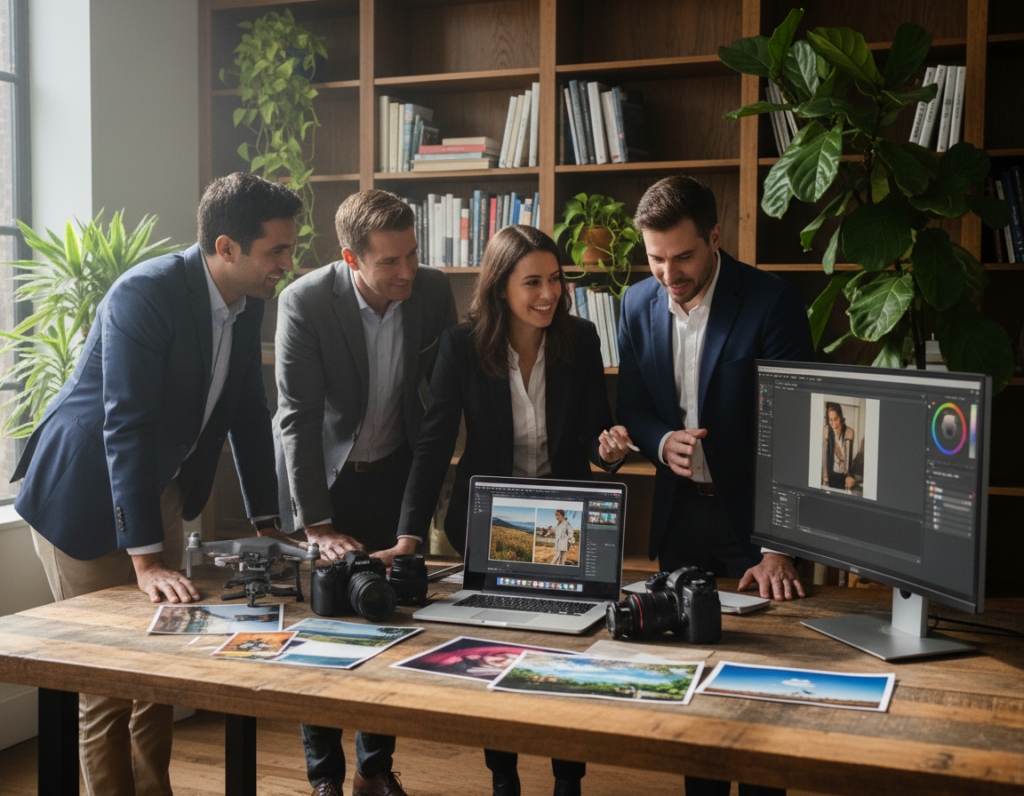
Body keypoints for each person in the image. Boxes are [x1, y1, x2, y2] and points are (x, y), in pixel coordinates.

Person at [10, 171, 298, 796]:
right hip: (82, 490)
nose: (288, 262)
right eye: (277, 249)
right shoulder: (145, 293)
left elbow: (248, 409)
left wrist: (265, 519)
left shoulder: (250, 301)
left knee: (162, 664)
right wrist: (145, 561)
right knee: (109, 680)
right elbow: (128, 426)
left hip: (157, 484)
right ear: (228, 248)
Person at [396, 224, 634, 796]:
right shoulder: (462, 344)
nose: (548, 294)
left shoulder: (579, 338)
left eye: (555, 280)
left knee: (567, 652)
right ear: (501, 286)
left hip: (565, 522)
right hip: (494, 523)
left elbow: (598, 432)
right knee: (501, 647)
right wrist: (409, 535)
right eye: (532, 282)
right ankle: (503, 776)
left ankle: (567, 779)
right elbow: (434, 443)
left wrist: (610, 450)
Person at [617, 176, 814, 796]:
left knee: (762, 686)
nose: (667, 274)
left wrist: (779, 544)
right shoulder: (634, 303)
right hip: (680, 519)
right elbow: (634, 405)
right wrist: (657, 441)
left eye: (682, 257)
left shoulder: (771, 300)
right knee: (692, 686)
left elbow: (798, 429)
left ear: (715, 238)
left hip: (754, 524)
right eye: (654, 258)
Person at [273, 188, 457, 796]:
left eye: (411, 254)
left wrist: (422, 501)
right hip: (327, 485)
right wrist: (316, 526)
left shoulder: (431, 291)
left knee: (390, 625)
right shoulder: (304, 301)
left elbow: (438, 403)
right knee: (320, 638)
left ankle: (373, 769)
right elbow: (296, 416)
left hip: (396, 477)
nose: (406, 271)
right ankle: (323, 778)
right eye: (389, 262)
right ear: (352, 259)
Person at [822, 402, 861, 492]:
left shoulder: (849, 432)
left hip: (845, 478)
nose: (833, 423)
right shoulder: (826, 430)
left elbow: (850, 462)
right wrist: (825, 477)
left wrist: (850, 477)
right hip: (831, 477)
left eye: (835, 419)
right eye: (830, 419)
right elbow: (825, 457)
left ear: (840, 417)